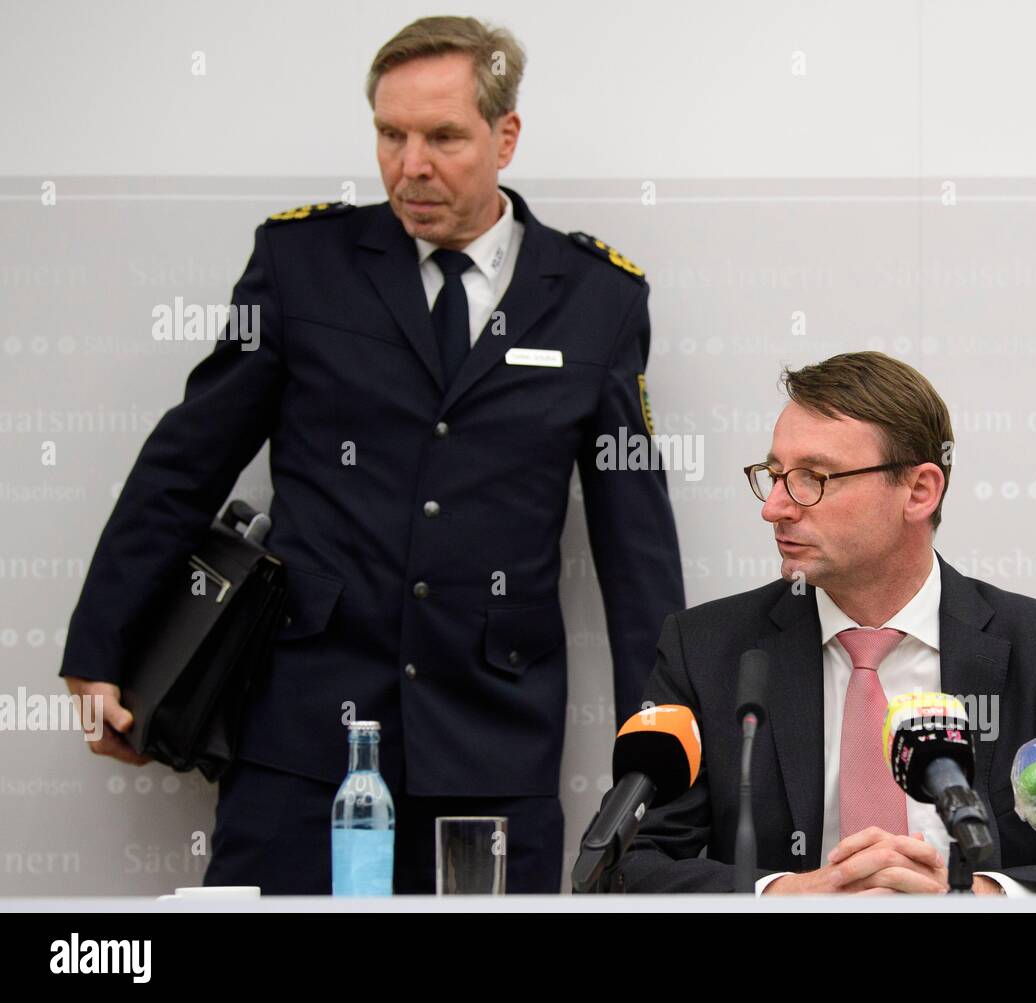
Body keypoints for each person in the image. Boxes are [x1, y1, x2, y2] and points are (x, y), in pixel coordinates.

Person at [59, 16, 684, 894]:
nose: (410, 165)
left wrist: (657, 752)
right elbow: (185, 461)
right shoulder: (300, 263)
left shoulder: (597, 299)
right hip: (300, 734)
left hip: (491, 746)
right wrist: (102, 646)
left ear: (506, 137)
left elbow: (637, 549)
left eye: (442, 136)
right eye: (390, 134)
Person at [617, 351, 1036, 894]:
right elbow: (625, 864)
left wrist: (972, 894)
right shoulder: (708, 649)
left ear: (919, 490)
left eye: (813, 477)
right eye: (774, 475)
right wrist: (783, 894)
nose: (775, 507)